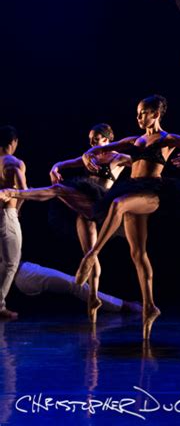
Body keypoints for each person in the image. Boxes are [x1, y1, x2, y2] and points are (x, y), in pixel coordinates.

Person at [71, 94, 180, 339]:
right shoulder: (133, 142)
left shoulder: (168, 139)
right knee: (137, 253)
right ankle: (149, 305)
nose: (139, 117)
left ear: (156, 114)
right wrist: (86, 157)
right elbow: (98, 149)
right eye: (137, 113)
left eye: (144, 112)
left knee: (117, 203)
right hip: (133, 190)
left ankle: (92, 256)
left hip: (154, 193)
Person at [0, 123, 131, 323]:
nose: (92, 143)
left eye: (96, 139)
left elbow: (140, 164)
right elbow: (62, 164)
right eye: (90, 139)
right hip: (85, 209)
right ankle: (93, 298)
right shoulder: (90, 156)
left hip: (100, 204)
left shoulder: (118, 158)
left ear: (107, 139)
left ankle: (15, 192)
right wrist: (55, 168)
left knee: (59, 190)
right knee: (90, 254)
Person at [14, 261, 142, 313]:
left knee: (75, 283)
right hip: (21, 275)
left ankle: (121, 305)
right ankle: (122, 305)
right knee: (76, 284)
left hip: (23, 269)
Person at [0, 126, 26, 320]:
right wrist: (16, 210)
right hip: (7, 214)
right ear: (13, 142)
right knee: (11, 263)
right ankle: (0, 306)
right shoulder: (14, 162)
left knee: (3, 262)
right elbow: (24, 191)